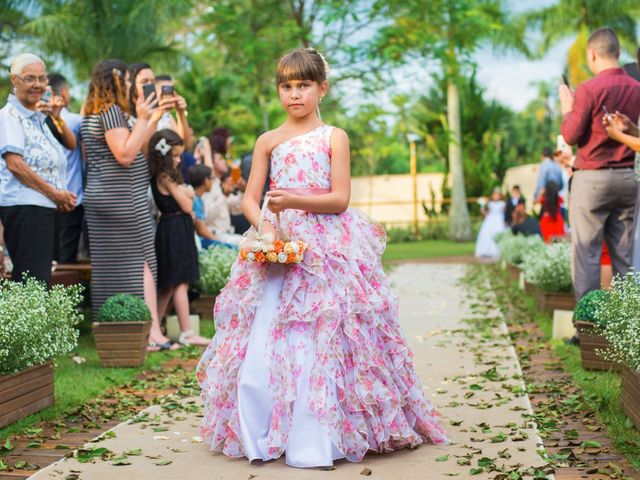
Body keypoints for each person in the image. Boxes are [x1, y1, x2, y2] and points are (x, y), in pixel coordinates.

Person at [196, 47, 447, 468]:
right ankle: (263, 428)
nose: (294, 95)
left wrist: (294, 199)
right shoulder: (268, 141)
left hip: (326, 246)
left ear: (322, 88)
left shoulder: (335, 137)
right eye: (286, 86)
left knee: (325, 331)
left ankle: (323, 432)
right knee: (268, 333)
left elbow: (340, 198)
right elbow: (250, 201)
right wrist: (267, 228)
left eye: (303, 86)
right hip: (280, 247)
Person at [81, 59, 177, 351]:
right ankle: (150, 334)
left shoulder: (99, 112)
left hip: (113, 197)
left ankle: (132, 329)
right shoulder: (110, 113)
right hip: (121, 198)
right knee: (143, 262)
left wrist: (148, 118)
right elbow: (124, 155)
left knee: (116, 267)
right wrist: (143, 117)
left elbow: (140, 147)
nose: (128, 84)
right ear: (113, 81)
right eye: (124, 79)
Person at [560, 27, 640, 301]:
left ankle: (588, 330)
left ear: (591, 55)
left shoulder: (588, 89)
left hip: (592, 178)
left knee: (587, 255)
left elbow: (571, 135)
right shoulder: (636, 88)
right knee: (623, 257)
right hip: (627, 177)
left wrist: (567, 109)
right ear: (618, 52)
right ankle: (627, 324)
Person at [0, 53, 77, 285]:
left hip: (43, 208)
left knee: (39, 282)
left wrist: (54, 117)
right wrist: (55, 194)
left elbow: (71, 145)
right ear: (15, 80)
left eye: (42, 79)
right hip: (25, 208)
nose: (37, 85)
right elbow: (16, 165)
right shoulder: (9, 117)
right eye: (30, 78)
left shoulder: (38, 117)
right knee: (32, 283)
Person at [148, 130, 208, 346]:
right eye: (174, 155)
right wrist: (188, 194)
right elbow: (187, 205)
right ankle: (187, 332)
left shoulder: (164, 175)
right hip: (173, 228)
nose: (179, 159)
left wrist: (187, 193)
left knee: (168, 285)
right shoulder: (166, 175)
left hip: (175, 226)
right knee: (179, 281)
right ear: (164, 156)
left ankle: (152, 328)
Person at [48, 73, 85, 264]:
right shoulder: (75, 120)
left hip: (46, 199)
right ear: (63, 92)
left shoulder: (37, 119)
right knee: (66, 258)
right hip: (72, 199)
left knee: (49, 256)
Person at [475, 189, 507, 258]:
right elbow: (487, 213)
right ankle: (485, 251)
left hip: (499, 220)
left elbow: (505, 213)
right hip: (490, 220)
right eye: (494, 195)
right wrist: (482, 208)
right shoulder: (490, 203)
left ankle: (496, 251)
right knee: (486, 234)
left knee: (497, 232)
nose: (496, 196)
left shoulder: (503, 203)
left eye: (497, 195)